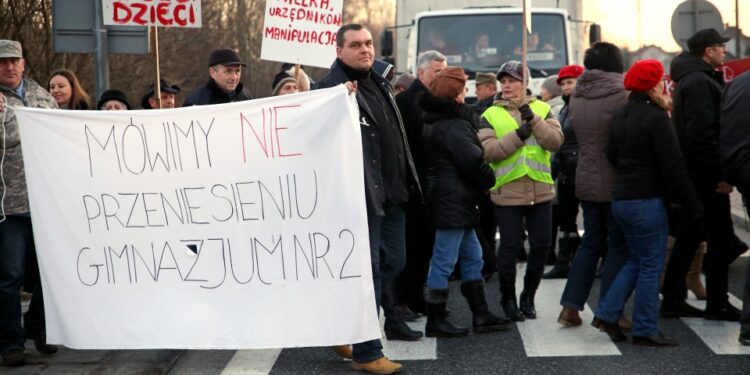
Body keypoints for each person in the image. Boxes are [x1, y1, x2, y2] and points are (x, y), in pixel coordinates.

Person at [314, 24, 421, 374]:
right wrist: (328, 102)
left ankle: (342, 328)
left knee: (395, 262)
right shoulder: (329, 89)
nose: (365, 50)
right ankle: (367, 351)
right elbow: (311, 132)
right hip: (360, 197)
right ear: (339, 51)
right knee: (369, 271)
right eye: (356, 45)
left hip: (391, 195)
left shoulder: (380, 81)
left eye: (369, 43)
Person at [593, 59, 702, 347]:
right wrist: (691, 202)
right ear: (656, 84)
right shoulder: (655, 118)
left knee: (636, 260)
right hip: (646, 201)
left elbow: (610, 153)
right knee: (652, 265)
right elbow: (673, 165)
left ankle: (606, 313)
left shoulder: (622, 114)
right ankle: (644, 328)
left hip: (622, 198)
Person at [418, 66, 510, 337]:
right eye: (463, 89)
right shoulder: (455, 125)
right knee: (444, 260)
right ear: (455, 94)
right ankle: (435, 320)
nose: (467, 92)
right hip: (454, 200)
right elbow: (473, 161)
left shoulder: (433, 121)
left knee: (474, 256)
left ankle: (481, 315)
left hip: (453, 200)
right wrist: (490, 180)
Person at [478, 61, 562, 321]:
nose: (507, 84)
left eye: (513, 80)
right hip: (508, 191)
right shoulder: (490, 114)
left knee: (540, 246)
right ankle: (508, 298)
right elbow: (488, 152)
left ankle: (528, 295)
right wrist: (519, 134)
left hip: (540, 190)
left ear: (525, 83)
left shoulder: (543, 109)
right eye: (503, 80)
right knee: (510, 247)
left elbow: (555, 141)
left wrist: (534, 119)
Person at [665, 28, 739, 321]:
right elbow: (703, 135)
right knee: (718, 241)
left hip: (695, 173)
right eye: (721, 47)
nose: (724, 51)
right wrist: (720, 174)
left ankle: (672, 299)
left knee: (690, 236)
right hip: (704, 176)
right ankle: (717, 303)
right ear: (708, 51)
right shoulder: (699, 82)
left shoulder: (695, 78)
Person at [557, 43, 630, 328]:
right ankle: (610, 311)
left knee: (590, 243)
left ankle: (570, 307)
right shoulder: (622, 95)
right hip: (614, 180)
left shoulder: (577, 95)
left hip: (585, 177)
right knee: (617, 245)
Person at [0, 39, 59, 367]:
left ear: (24, 63)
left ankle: (37, 326)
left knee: (50, 274)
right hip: (8, 206)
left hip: (46, 203)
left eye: (14, 61)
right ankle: (10, 341)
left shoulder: (41, 95)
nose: (9, 67)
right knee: (9, 277)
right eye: (3, 62)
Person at [393, 50, 447, 332]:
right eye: (437, 72)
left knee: (425, 246)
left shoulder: (435, 100)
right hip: (412, 186)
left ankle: (415, 298)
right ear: (422, 72)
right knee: (410, 248)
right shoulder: (405, 102)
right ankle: (402, 300)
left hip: (432, 184)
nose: (441, 76)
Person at [543, 64, 585, 280]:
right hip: (567, 172)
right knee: (566, 220)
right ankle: (564, 262)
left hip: (584, 171)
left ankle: (597, 261)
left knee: (593, 220)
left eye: (570, 82)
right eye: (563, 84)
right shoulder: (566, 108)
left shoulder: (585, 106)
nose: (566, 87)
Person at [718, 67, 750, 346]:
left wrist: (728, 174)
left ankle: (749, 326)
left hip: (742, 170)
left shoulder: (737, 84)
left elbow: (724, 130)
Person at [183, 48, 252, 106]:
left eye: (237, 71)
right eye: (228, 71)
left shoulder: (245, 96)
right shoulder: (196, 102)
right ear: (212, 72)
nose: (234, 77)